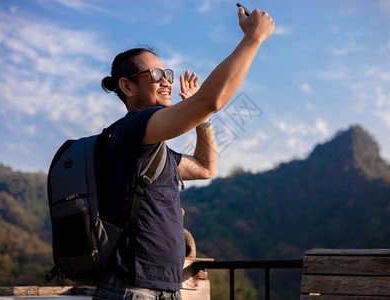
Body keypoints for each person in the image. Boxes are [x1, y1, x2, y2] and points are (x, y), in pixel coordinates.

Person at [93, 6, 275, 300]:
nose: (166, 80)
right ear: (127, 86)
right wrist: (253, 38)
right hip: (133, 291)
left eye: (167, 72)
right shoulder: (132, 130)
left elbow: (205, 167)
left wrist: (201, 117)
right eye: (155, 73)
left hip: (162, 289)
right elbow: (213, 99)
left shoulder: (153, 149)